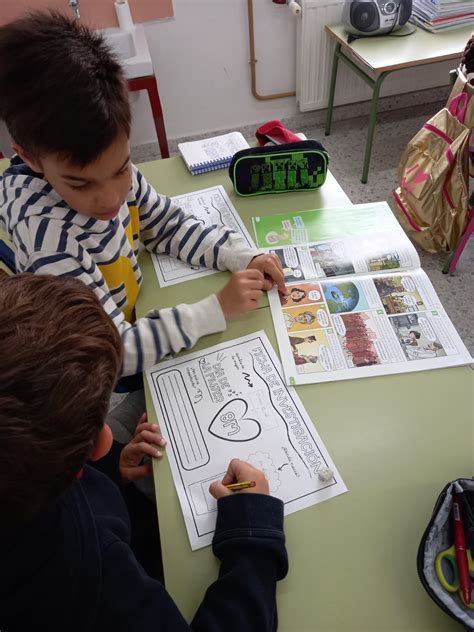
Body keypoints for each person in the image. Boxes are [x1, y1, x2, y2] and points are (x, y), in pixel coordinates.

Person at [0, 11, 286, 382]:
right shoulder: (50, 239)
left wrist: (241, 255)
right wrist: (214, 310)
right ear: (30, 158)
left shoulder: (115, 174)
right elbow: (108, 354)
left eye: (121, 168)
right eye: (81, 184)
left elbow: (164, 224)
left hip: (136, 313)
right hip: (103, 376)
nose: (110, 197)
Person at [0, 272, 288, 632]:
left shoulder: (21, 479)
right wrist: (252, 532)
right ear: (100, 440)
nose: (108, 430)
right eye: (100, 417)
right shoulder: (89, 569)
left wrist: (109, 470)